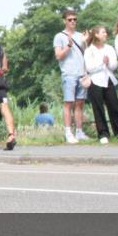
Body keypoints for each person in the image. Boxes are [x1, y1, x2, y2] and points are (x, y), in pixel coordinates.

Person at [83, 25, 118, 144]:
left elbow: (114, 65)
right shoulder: (89, 50)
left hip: (108, 79)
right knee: (98, 108)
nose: (105, 34)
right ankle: (103, 133)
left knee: (114, 106)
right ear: (96, 34)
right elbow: (90, 68)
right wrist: (102, 63)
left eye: (106, 32)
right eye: (103, 32)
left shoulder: (109, 48)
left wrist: (108, 63)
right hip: (95, 81)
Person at [53, 9, 90, 143]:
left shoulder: (81, 35)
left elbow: (86, 53)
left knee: (80, 103)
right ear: (65, 21)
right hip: (69, 73)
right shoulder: (59, 36)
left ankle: (79, 131)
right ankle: (68, 132)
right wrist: (68, 46)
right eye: (70, 19)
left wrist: (85, 42)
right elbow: (58, 56)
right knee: (69, 103)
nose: (73, 21)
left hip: (82, 73)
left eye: (75, 19)